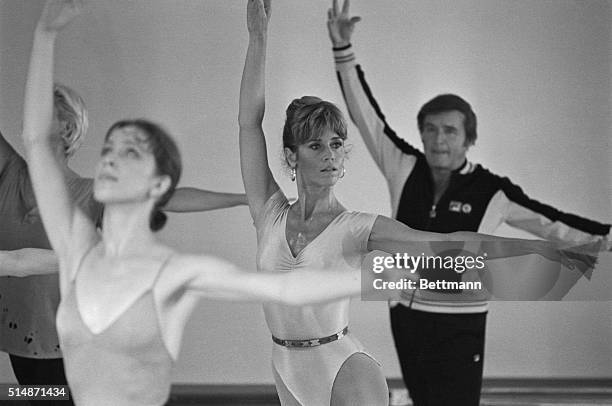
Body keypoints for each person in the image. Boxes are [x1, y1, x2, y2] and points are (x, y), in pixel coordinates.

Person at [18, 1, 395, 405]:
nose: (106, 160)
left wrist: (382, 276)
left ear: (158, 186)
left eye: (127, 155)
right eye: (108, 149)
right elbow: (36, 145)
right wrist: (44, 35)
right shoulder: (80, 248)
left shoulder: (175, 268)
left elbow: (286, 286)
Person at [238, 1, 598, 405]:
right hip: (298, 358)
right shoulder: (271, 211)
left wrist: (569, 254)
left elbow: (437, 242)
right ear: (291, 155)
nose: (329, 155)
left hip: (359, 364)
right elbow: (253, 124)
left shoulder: (362, 225)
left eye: (336, 145)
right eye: (315, 145)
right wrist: (259, 38)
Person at [0, 2, 244, 403]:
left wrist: (241, 198)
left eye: (49, 111)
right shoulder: (9, 173)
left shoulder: (92, 193)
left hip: (77, 338)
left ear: (67, 127)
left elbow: (167, 197)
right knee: (39, 397)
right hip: (21, 337)